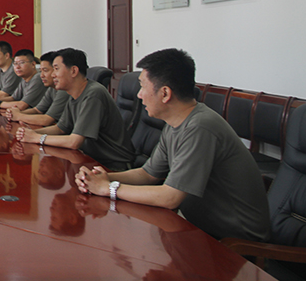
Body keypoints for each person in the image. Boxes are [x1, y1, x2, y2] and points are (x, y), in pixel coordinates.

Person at [74, 48, 270, 241]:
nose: (139, 95)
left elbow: (170, 198)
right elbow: (148, 174)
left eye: (143, 86)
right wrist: (102, 178)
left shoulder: (200, 127)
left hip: (232, 243)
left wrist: (108, 188)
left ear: (165, 93)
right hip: (195, 228)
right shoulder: (175, 123)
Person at [16, 48, 134, 171]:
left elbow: (74, 142)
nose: (53, 74)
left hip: (112, 166)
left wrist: (36, 138)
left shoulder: (93, 94)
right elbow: (60, 129)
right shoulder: (74, 95)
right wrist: (31, 133)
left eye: (56, 69)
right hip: (90, 159)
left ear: (73, 71)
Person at [5, 51, 70, 127]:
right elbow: (37, 110)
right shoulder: (51, 88)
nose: (41, 75)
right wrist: (15, 113)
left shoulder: (64, 90)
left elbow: (47, 120)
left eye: (45, 71)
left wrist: (19, 116)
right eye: (41, 71)